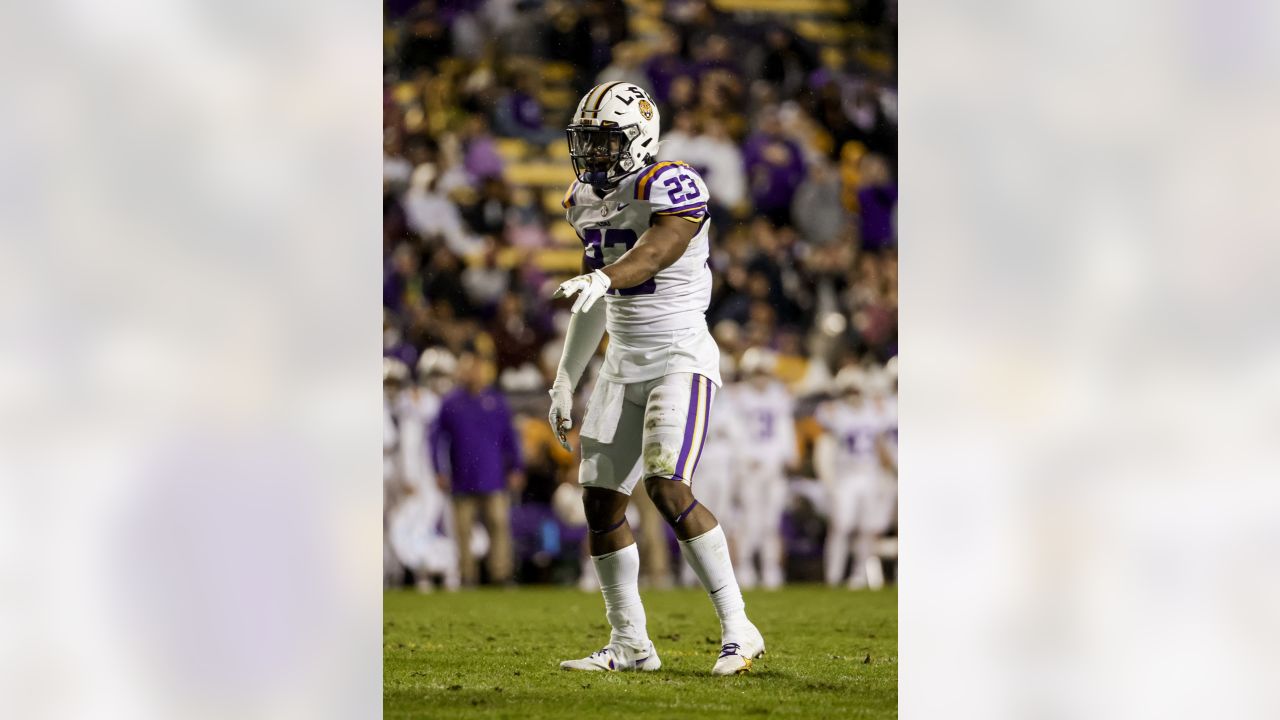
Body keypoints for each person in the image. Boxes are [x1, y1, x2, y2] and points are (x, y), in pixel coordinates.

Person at [547, 82, 765, 675]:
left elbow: (654, 253)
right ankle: (631, 644)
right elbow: (592, 298)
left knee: (667, 485)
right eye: (585, 141)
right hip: (622, 362)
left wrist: (603, 278)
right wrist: (566, 380)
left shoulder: (669, 181)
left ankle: (739, 628)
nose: (591, 154)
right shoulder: (582, 198)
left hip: (678, 355)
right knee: (598, 501)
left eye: (604, 141)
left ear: (639, 139)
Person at [430, 351, 525, 586]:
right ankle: (467, 576)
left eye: (476, 368)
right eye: (468, 368)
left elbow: (509, 438)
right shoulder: (450, 403)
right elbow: (434, 439)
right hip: (461, 477)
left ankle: (500, 574)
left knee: (499, 525)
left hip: (493, 477)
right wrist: (438, 470)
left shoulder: (496, 402)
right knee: (462, 531)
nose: (472, 373)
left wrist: (516, 467)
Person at [815, 365, 896, 589]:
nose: (852, 394)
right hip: (846, 477)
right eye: (848, 390)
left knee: (866, 528)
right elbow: (825, 431)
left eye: (855, 389)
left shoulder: (877, 410)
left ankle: (859, 575)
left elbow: (882, 441)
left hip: (870, 475)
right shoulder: (833, 411)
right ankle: (833, 576)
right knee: (841, 525)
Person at [726, 347, 797, 589]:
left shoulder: (778, 395)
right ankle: (744, 566)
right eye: (757, 372)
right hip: (750, 467)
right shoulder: (738, 396)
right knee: (749, 519)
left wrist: (789, 454)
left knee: (771, 521)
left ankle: (770, 568)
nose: (761, 377)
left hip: (773, 464)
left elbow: (784, 427)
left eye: (765, 372)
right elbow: (734, 431)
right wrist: (745, 458)